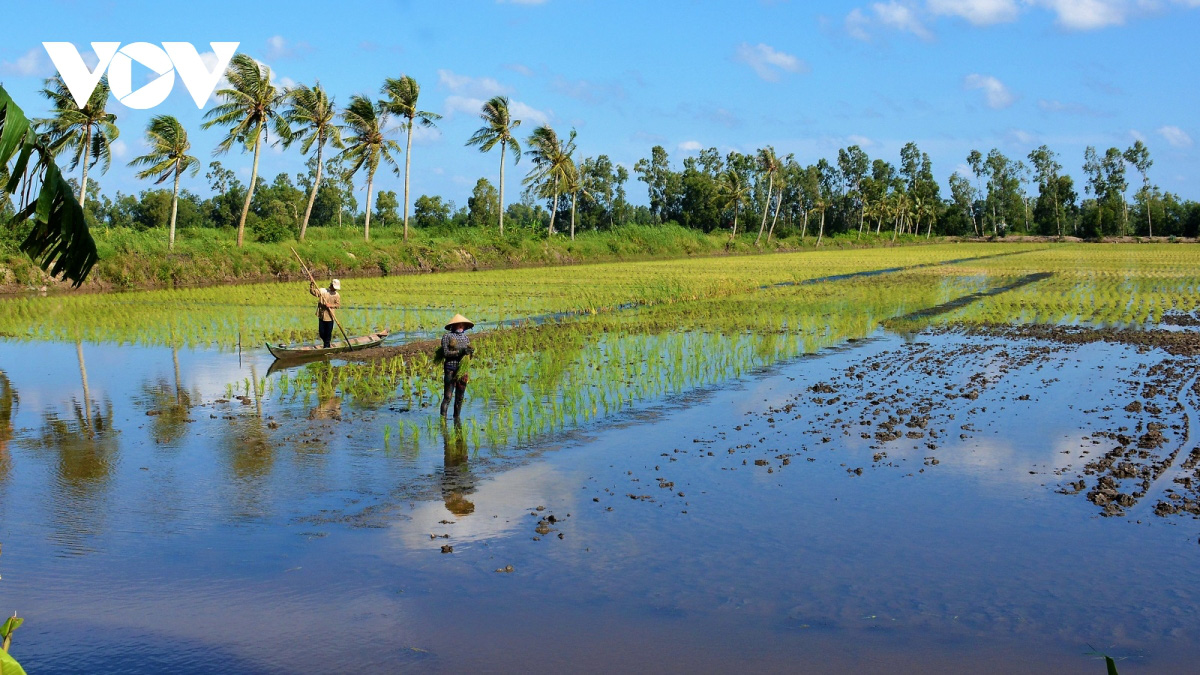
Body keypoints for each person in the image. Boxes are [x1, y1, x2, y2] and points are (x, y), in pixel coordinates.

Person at [440, 313, 474, 418]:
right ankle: (443, 421)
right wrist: (460, 352)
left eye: (462, 324)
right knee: (447, 396)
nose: (460, 326)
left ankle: (456, 419)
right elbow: (445, 353)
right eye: (458, 324)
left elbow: (469, 358)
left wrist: (470, 352)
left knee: (460, 397)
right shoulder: (447, 337)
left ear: (464, 326)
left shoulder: (466, 338)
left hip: (463, 370)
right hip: (450, 368)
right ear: (453, 326)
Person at [309, 278, 341, 348]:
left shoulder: (337, 295)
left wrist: (331, 305)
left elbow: (338, 305)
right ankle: (326, 345)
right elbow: (313, 292)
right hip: (321, 315)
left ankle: (326, 347)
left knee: (328, 334)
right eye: (334, 287)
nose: (335, 289)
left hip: (330, 317)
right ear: (331, 285)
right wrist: (312, 284)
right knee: (322, 333)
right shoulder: (323, 291)